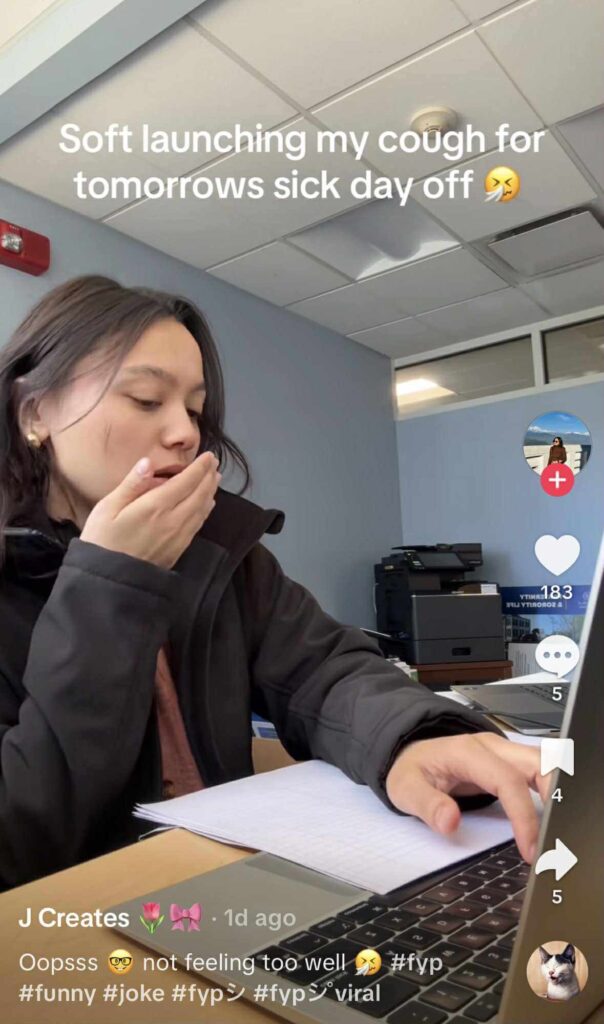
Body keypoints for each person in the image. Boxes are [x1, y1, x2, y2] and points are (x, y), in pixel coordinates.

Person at [0, 276, 546, 890]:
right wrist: (110, 584)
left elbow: (324, 668)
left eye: (195, 409)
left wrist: (412, 739)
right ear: (33, 413)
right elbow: (23, 836)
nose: (184, 432)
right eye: (147, 400)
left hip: (227, 892)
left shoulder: (222, 554)